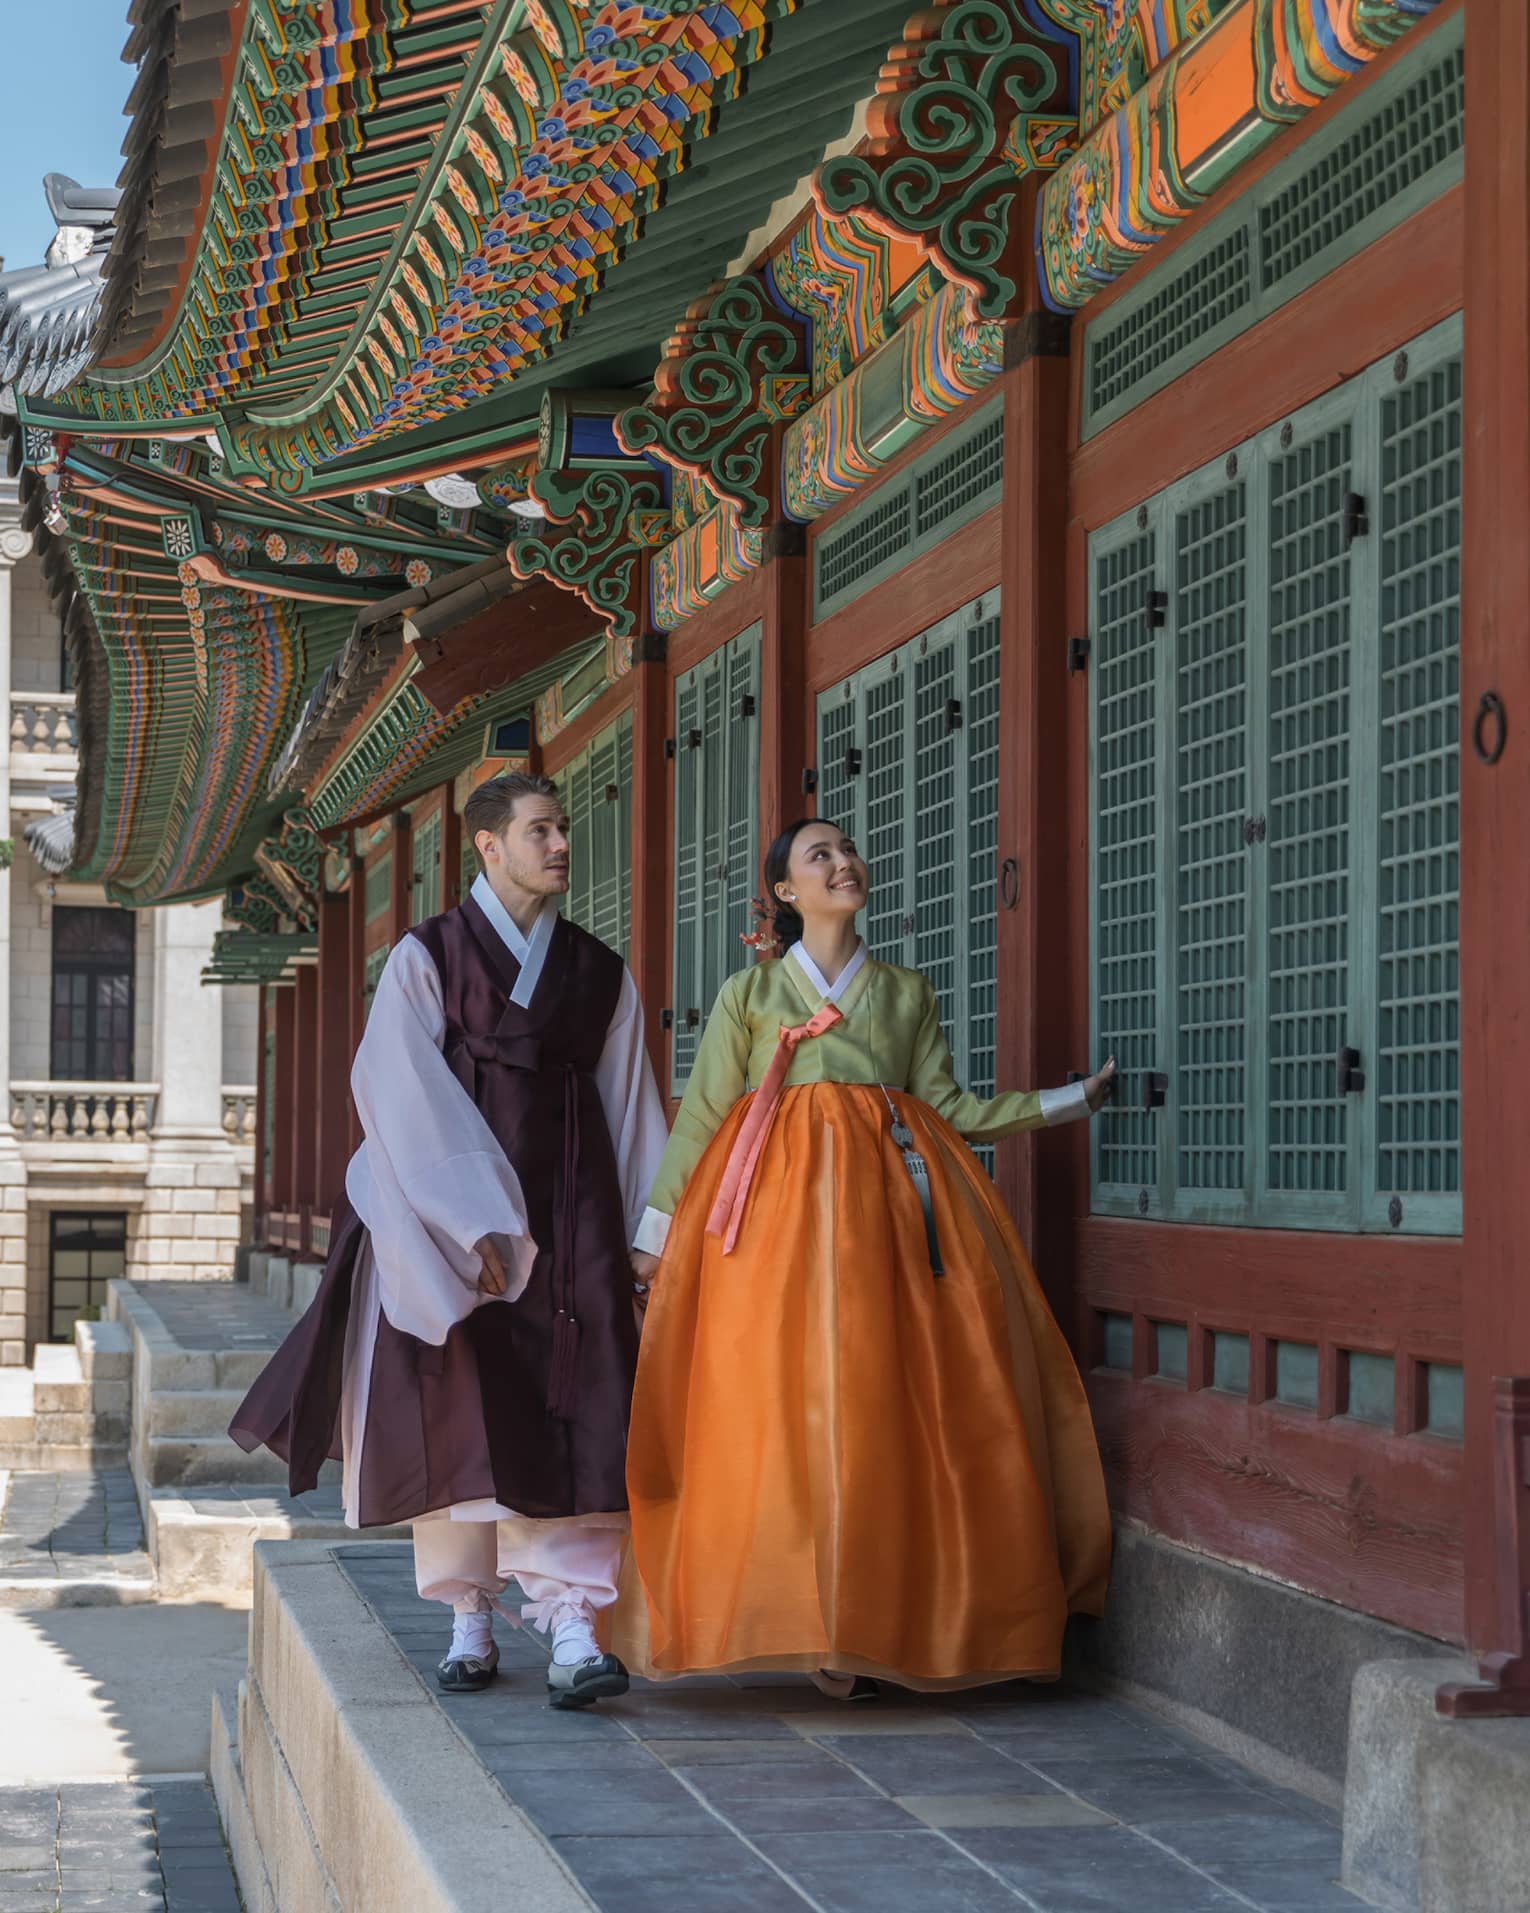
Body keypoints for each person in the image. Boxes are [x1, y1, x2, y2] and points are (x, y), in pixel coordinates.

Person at [615, 817, 1115, 1696]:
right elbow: (702, 1119)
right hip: (771, 1234)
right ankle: (812, 1619)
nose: (843, 863)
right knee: (786, 1408)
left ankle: (876, 1612)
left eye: (847, 851)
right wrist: (657, 1239)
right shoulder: (751, 993)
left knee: (885, 1406)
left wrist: (1067, 1101)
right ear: (784, 892)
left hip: (887, 1230)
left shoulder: (906, 993)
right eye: (820, 856)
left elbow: (951, 1109)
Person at [231, 773, 668, 1707]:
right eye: (540, 830)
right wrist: (470, 1222)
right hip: (450, 1223)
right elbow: (395, 1090)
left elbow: (632, 1105)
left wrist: (644, 1234)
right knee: (460, 1416)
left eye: (562, 829)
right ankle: (470, 1608)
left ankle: (575, 1626)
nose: (560, 845)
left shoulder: (598, 972)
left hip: (573, 1214)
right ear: (488, 845)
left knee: (576, 1409)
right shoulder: (428, 956)